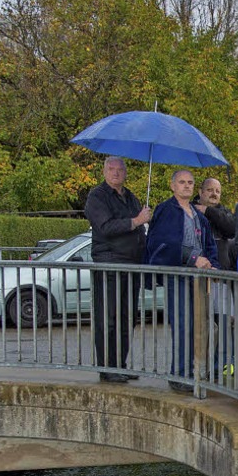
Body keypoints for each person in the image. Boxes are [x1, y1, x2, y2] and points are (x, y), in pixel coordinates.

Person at [145, 170, 219, 391]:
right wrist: (194, 258)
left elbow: (208, 243)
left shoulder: (198, 214)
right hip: (177, 275)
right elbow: (162, 242)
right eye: (182, 182)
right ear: (173, 186)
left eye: (190, 183)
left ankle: (189, 372)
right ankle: (180, 375)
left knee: (196, 326)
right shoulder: (166, 210)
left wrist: (212, 263)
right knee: (182, 325)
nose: (186, 186)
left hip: (196, 279)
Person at [84, 156, 151, 383]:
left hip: (131, 266)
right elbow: (104, 227)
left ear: (125, 172)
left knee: (126, 318)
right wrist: (136, 221)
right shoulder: (97, 196)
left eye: (120, 169)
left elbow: (140, 229)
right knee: (108, 318)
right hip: (109, 264)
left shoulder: (130, 197)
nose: (116, 173)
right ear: (104, 171)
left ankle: (120, 364)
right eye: (111, 169)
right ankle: (107, 366)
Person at [193, 177, 237, 373]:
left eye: (217, 191)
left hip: (221, 279)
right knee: (200, 326)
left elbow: (232, 228)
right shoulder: (190, 211)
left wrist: (209, 212)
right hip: (198, 279)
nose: (213, 194)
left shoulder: (222, 212)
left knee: (225, 324)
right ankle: (199, 366)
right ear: (201, 192)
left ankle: (224, 365)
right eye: (209, 190)